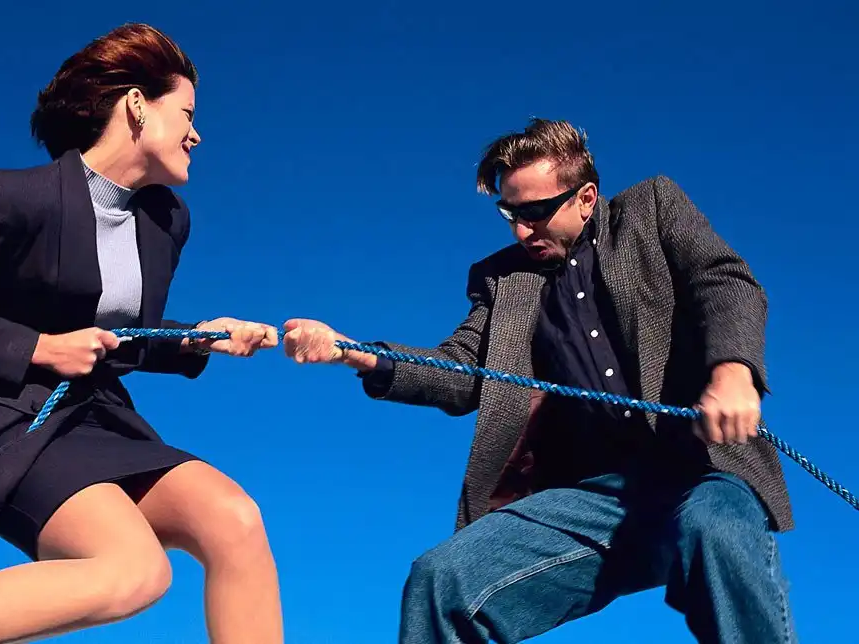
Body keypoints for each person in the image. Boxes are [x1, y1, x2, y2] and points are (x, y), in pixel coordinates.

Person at [282, 118, 796, 643]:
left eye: (535, 212)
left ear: (586, 198)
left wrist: (734, 374)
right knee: (443, 579)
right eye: (510, 214)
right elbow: (462, 371)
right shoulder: (503, 279)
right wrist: (355, 353)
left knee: (716, 529)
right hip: (595, 499)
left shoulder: (652, 209)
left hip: (703, 469)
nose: (521, 231)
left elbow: (724, 281)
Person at [0, 23, 283, 644]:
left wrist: (197, 337)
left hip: (103, 420)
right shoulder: (12, 198)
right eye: (188, 114)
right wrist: (40, 347)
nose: (197, 134)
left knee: (235, 519)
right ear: (137, 106)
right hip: (18, 422)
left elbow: (120, 333)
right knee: (135, 572)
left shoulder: (164, 220)